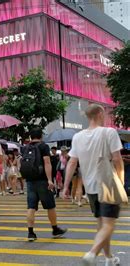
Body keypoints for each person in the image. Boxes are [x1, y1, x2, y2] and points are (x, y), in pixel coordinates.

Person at [64, 104, 124, 266]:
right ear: (99, 114)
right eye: (103, 114)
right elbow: (117, 159)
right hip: (107, 183)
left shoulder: (78, 137)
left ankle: (109, 258)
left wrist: (65, 186)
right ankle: (92, 253)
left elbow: (72, 162)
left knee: (102, 224)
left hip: (90, 187)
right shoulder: (109, 132)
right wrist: (121, 180)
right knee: (109, 223)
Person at [22, 128, 67, 242]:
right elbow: (47, 162)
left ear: (31, 137)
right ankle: (55, 229)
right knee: (50, 206)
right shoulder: (43, 146)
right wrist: (49, 180)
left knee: (31, 207)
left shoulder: (26, 147)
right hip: (42, 181)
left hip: (30, 180)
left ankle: (31, 233)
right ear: (41, 136)